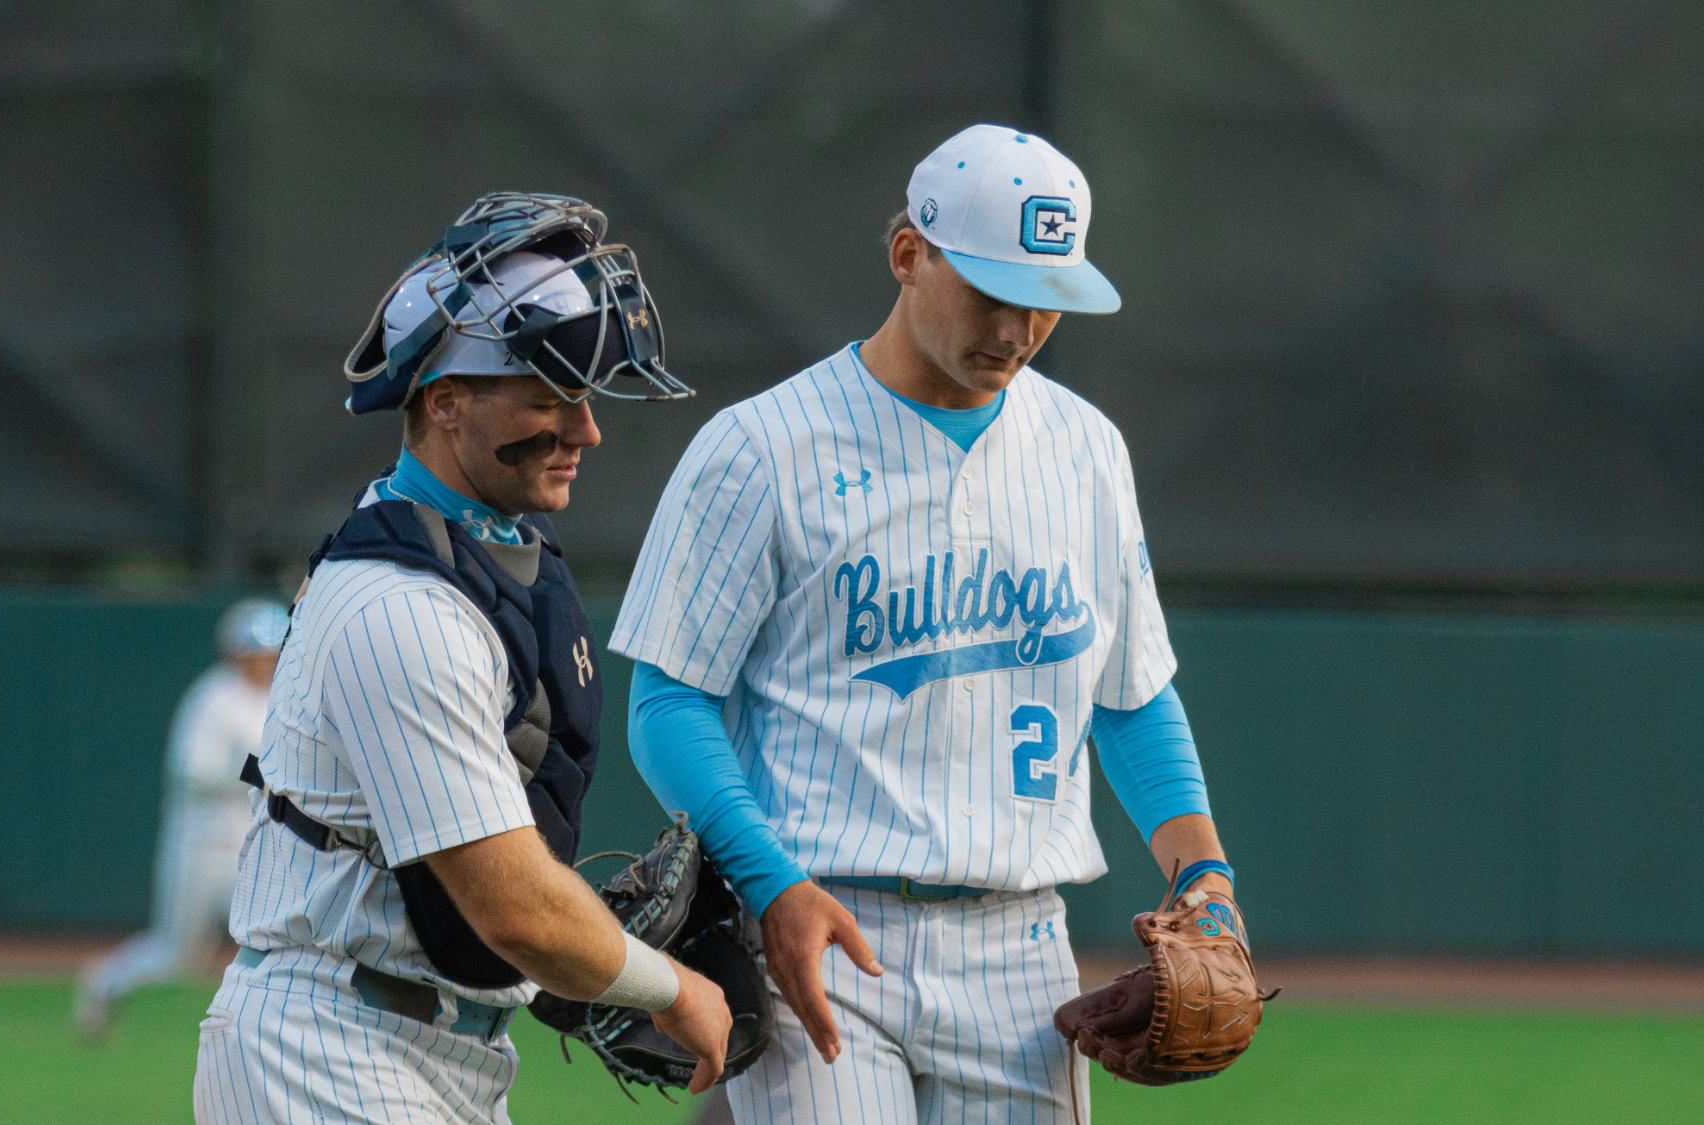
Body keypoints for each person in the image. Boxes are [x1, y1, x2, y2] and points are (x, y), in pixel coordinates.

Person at [617, 124, 1242, 1124]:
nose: (1018, 325)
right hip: (817, 915)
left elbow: (1127, 696)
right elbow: (666, 702)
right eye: (990, 291)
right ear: (909, 255)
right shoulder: (759, 447)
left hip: (1018, 941)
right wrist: (768, 884)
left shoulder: (1084, 448)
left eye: (1045, 301)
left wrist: (1201, 870)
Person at [193, 192, 732, 1125]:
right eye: (551, 395)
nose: (586, 428)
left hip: (429, 1052)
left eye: (587, 396)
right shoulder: (399, 606)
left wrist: (581, 955)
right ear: (444, 402)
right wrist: (672, 986)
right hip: (330, 1051)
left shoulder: (491, 569)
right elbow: (512, 910)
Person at [75, 597, 289, 1039]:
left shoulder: (280, 699)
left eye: (271, 653)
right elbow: (191, 772)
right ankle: (105, 980)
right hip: (201, 845)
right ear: (235, 652)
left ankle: (259, 1036)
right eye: (256, 652)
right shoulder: (212, 698)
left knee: (276, 941)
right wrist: (258, 774)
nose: (264, 662)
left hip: (250, 847)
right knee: (177, 957)